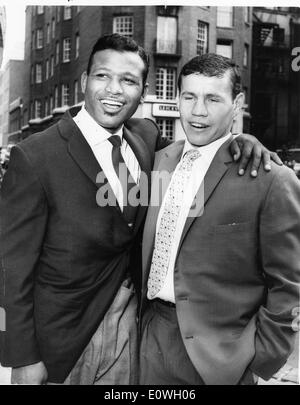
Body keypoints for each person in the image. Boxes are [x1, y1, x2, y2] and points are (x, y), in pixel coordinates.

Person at [0, 34, 279, 385]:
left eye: (128, 80)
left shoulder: (145, 138)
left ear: (143, 91)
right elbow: (10, 271)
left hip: (134, 333)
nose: (114, 90)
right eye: (103, 76)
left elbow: (199, 154)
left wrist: (241, 141)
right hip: (63, 343)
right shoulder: (35, 156)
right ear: (85, 81)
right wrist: (21, 356)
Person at [140, 53, 300, 385]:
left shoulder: (271, 179)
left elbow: (289, 283)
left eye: (213, 98)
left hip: (222, 360)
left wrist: (261, 358)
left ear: (237, 103)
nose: (198, 111)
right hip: (150, 340)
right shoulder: (158, 162)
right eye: (189, 97)